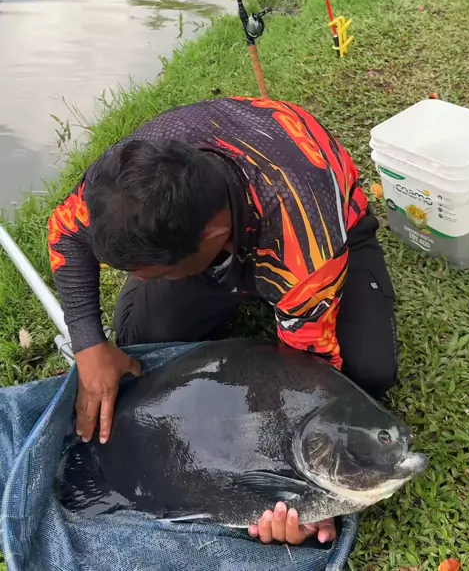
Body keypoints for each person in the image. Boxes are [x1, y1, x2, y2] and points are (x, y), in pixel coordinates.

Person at [48, 96, 398, 547]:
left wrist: (306, 495)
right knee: (142, 336)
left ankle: (262, 293)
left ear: (213, 237)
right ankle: (195, 283)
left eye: (155, 274)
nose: (142, 279)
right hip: (212, 237)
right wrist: (88, 344)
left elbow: (308, 374)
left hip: (320, 231)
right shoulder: (126, 179)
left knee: (367, 372)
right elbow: (65, 233)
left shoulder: (306, 242)